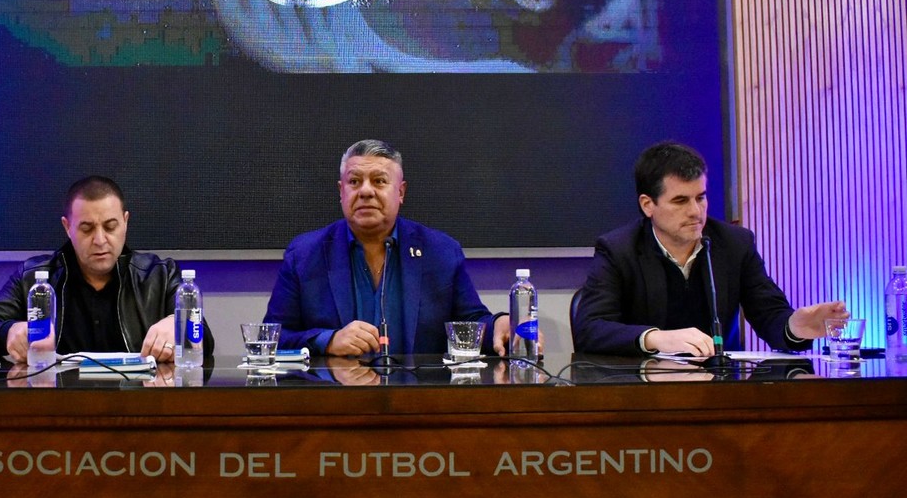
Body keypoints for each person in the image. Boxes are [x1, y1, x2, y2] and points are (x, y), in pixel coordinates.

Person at [573, 141, 847, 356]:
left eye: (701, 197)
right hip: (643, 391)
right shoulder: (619, 250)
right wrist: (655, 338)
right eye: (680, 201)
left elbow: (770, 315)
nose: (696, 211)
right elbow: (591, 328)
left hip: (718, 387)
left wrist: (794, 328)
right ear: (648, 205)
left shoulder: (734, 244)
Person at [263, 139, 519, 358]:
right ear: (341, 192)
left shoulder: (440, 251)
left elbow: (470, 323)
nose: (365, 191)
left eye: (379, 181)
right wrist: (328, 341)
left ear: (401, 192)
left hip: (418, 395)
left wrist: (499, 324)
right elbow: (272, 339)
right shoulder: (305, 254)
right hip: (334, 396)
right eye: (354, 181)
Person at [0, 176, 214, 362]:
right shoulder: (33, 277)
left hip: (140, 401)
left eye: (110, 227)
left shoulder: (159, 274)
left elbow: (205, 337)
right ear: (67, 227)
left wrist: (178, 326)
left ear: (125, 222)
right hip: (58, 402)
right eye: (87, 229)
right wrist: (8, 332)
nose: (100, 240)